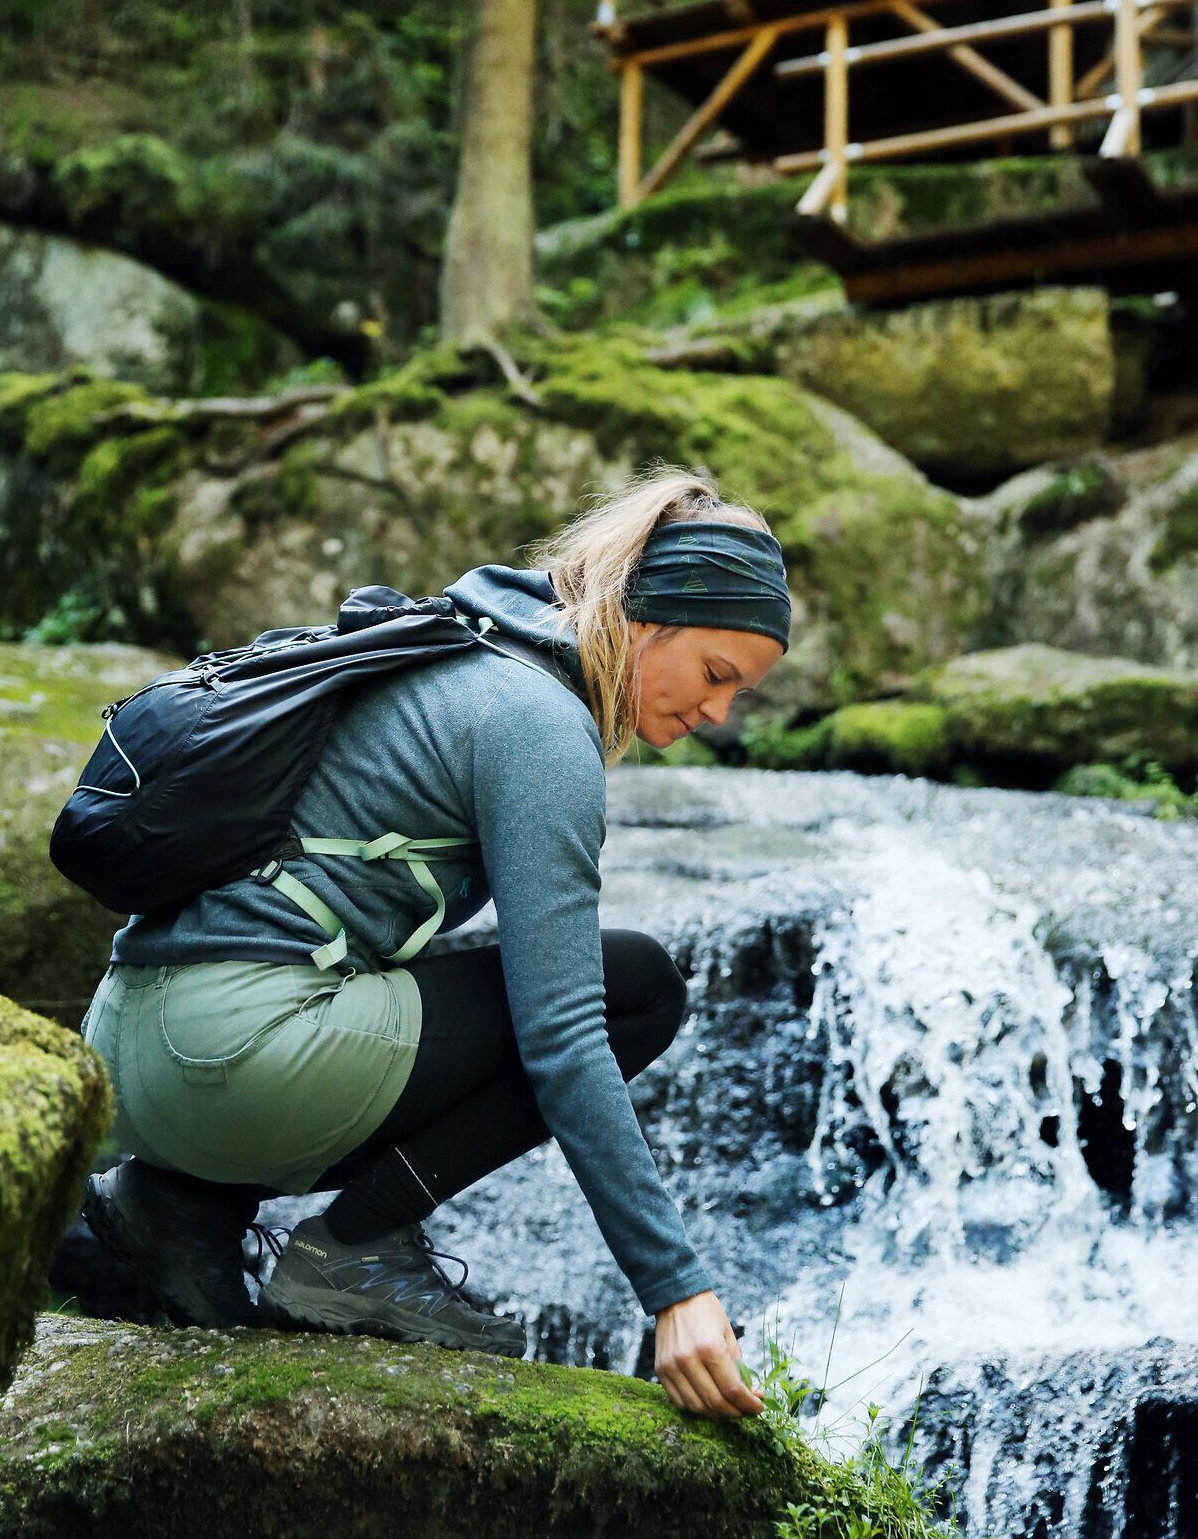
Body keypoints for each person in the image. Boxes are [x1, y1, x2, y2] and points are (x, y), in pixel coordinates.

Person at [79, 465, 790, 1422]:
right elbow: (565, 1039)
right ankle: (357, 1248)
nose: (716, 715)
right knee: (638, 991)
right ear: (648, 617)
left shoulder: (463, 642)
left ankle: (171, 1213)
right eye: (716, 675)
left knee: (395, 967)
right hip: (231, 1054)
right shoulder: (539, 725)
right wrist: (676, 1289)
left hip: (129, 1045)